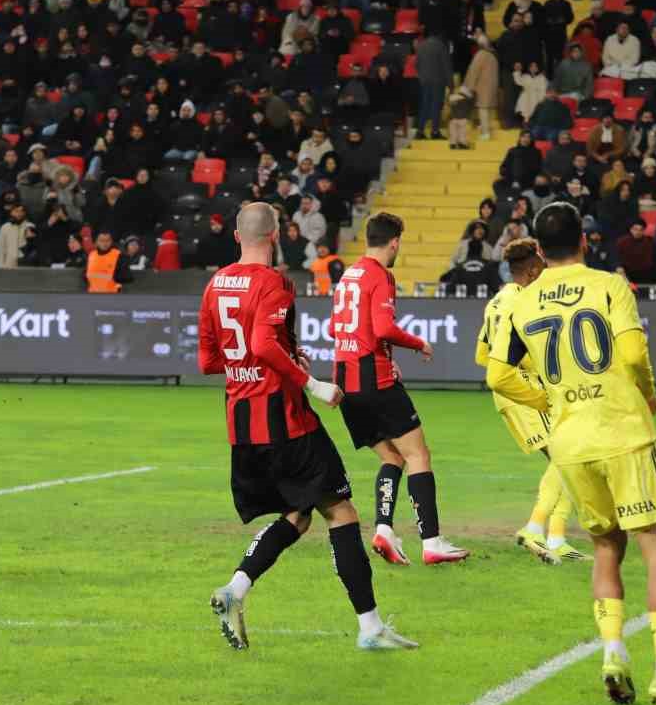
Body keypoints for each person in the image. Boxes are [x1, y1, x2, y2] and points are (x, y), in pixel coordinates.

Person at [485, 201, 656, 705]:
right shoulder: (609, 285)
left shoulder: (520, 300)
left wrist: (547, 400)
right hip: (621, 431)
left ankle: (612, 655)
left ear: (539, 251)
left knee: (606, 547)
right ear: (584, 240)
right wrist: (647, 395)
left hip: (569, 442)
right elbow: (632, 355)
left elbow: (498, 375)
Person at [199, 202, 416, 652]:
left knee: (299, 515)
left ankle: (235, 590)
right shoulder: (275, 282)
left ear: (237, 237)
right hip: (286, 422)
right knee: (341, 513)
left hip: (242, 427)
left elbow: (209, 361)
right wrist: (311, 382)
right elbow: (261, 342)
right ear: (275, 236)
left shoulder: (215, 284)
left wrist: (263, 362)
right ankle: (371, 628)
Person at [333, 212, 468, 566]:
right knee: (418, 455)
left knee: (392, 457)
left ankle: (385, 531)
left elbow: (336, 328)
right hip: (374, 380)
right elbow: (382, 327)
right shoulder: (380, 275)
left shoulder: (349, 274)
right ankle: (433, 541)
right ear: (394, 242)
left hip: (346, 383)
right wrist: (417, 344)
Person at [474, 236, 582, 564]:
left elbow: (482, 355)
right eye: (542, 264)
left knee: (569, 460)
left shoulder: (496, 301)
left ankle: (556, 536)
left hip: (508, 394)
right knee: (569, 455)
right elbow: (524, 354)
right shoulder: (523, 303)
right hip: (525, 392)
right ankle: (537, 529)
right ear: (533, 269)